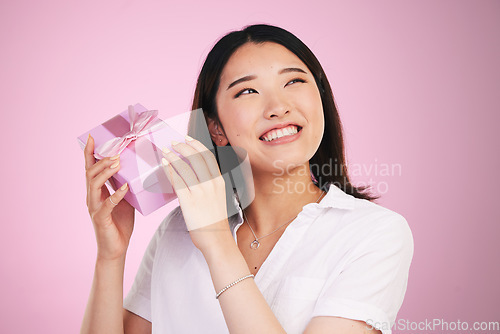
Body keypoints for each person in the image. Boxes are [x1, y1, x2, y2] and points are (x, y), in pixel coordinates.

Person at [81, 24, 414, 334]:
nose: (278, 107)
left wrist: (216, 243)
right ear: (216, 128)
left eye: (294, 82)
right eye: (247, 91)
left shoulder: (375, 233)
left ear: (321, 97)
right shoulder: (177, 230)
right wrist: (111, 255)